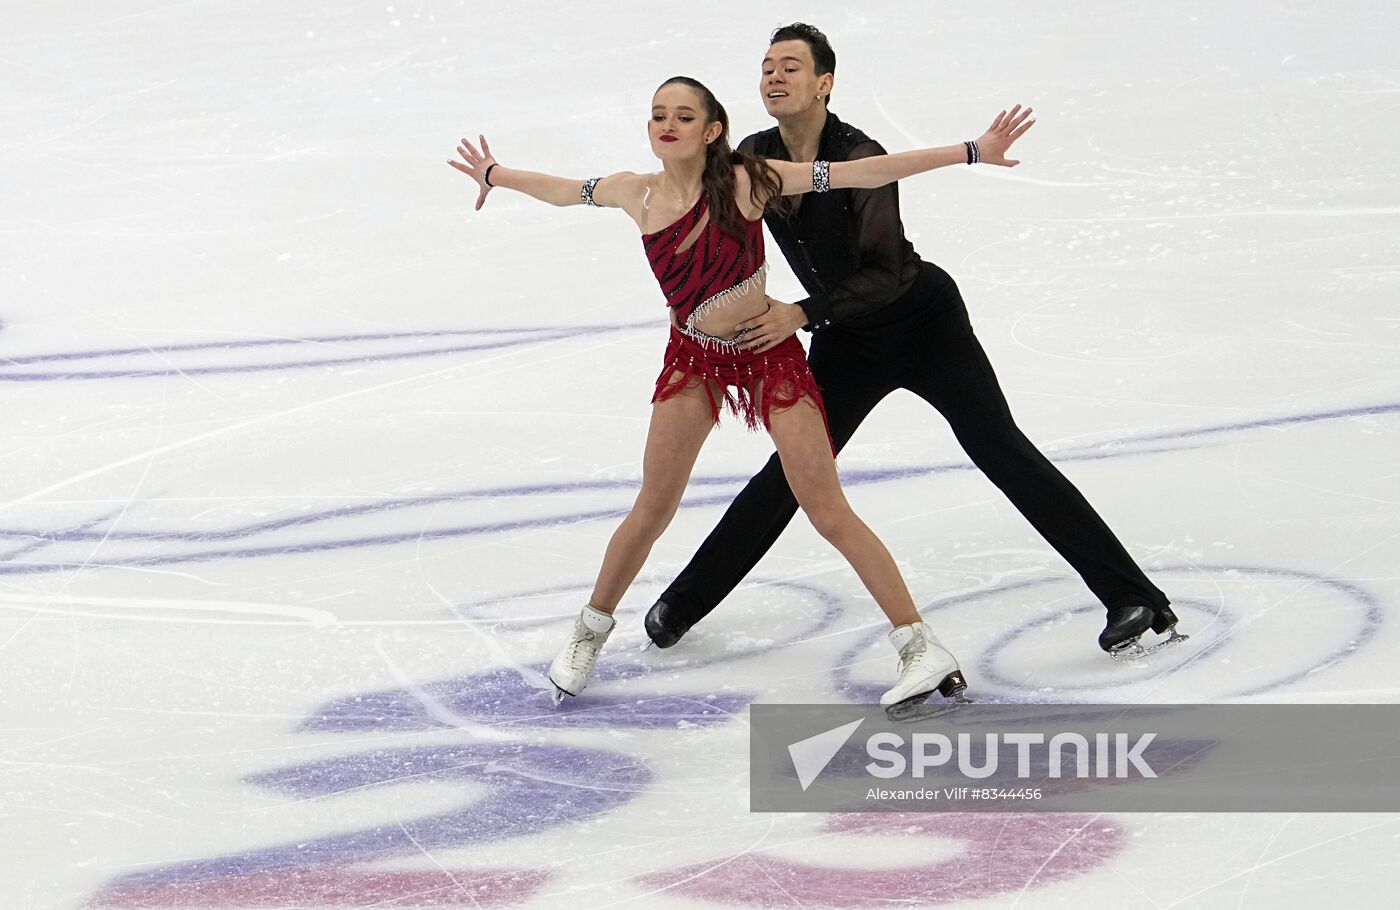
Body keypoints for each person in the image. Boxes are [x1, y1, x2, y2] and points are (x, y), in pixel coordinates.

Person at [449, 75, 1033, 708]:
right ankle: (589, 632)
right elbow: (564, 192)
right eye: (657, 115)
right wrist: (495, 174)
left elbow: (863, 174)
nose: (666, 125)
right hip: (693, 362)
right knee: (653, 507)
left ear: (712, 129)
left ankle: (921, 648)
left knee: (825, 506)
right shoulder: (632, 192)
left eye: (683, 115)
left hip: (767, 358)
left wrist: (971, 151)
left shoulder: (747, 181)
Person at [644, 24, 1186, 661]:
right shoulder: (757, 157)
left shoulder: (856, 150)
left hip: (921, 323)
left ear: (825, 83)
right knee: (792, 475)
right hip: (845, 339)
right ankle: (682, 603)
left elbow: (888, 270)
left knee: (1000, 449)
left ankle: (1135, 598)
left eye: (791, 67)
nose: (775, 76)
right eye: (767, 67)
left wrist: (802, 311)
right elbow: (689, 192)